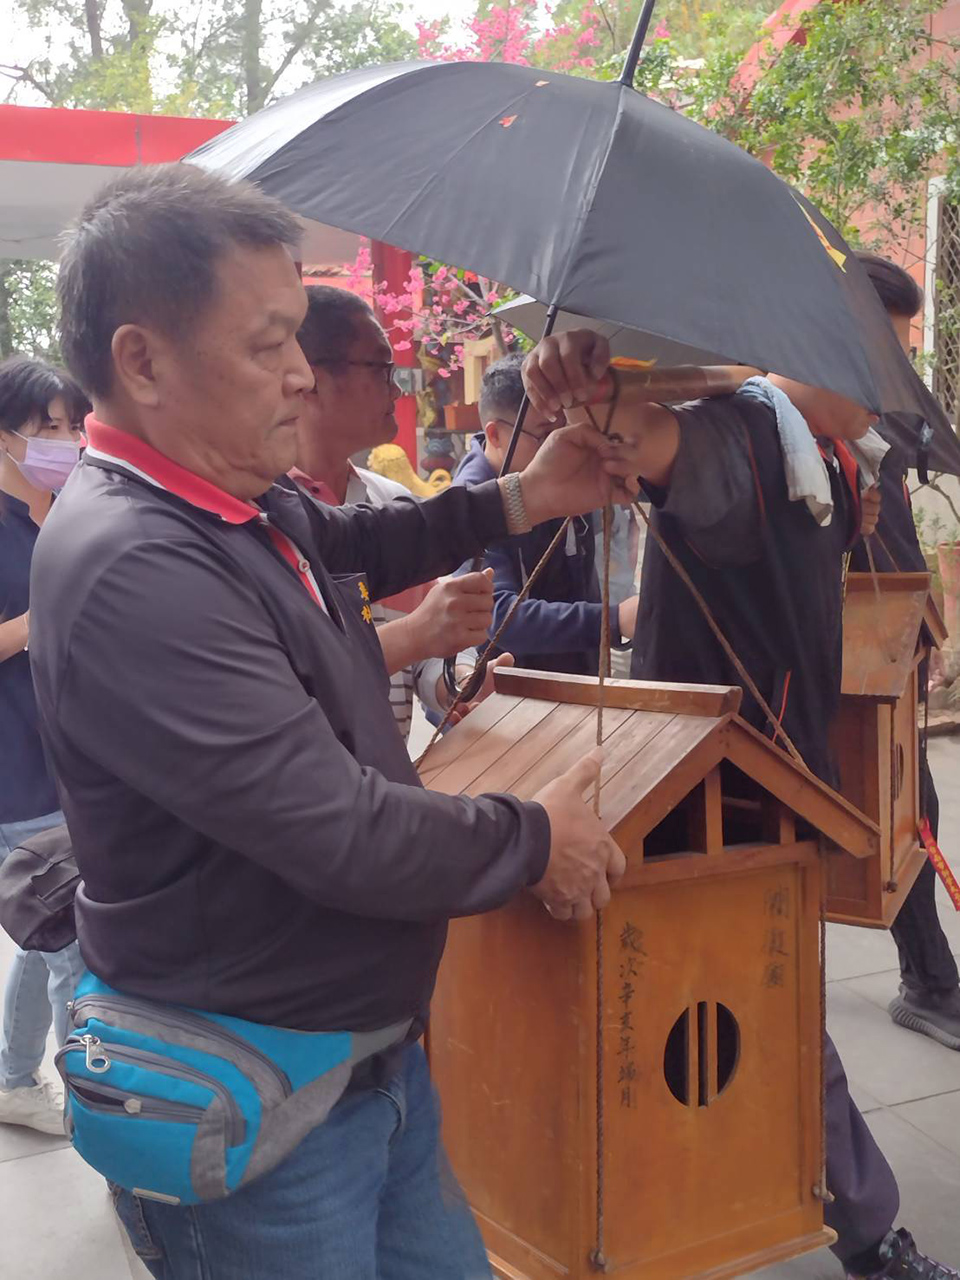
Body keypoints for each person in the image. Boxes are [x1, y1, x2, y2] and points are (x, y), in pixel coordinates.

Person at [29, 163, 636, 1280]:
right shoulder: (135, 564)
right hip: (256, 1097)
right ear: (143, 361)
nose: (302, 374)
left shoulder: (230, 501)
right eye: (269, 344)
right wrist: (536, 835)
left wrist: (527, 496)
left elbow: (355, 541)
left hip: (360, 1063)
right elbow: (341, 831)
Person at [522, 329, 958, 1280]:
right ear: (814, 352)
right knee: (764, 1015)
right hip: (713, 795)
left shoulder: (824, 457)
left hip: (762, 785)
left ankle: (756, 1204)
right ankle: (864, 1235)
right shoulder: (751, 432)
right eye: (871, 362)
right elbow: (662, 443)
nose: (883, 391)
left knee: (740, 1016)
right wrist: (599, 400)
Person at [293, 284, 498, 739]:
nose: (399, 390)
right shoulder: (262, 516)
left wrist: (460, 683)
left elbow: (426, 655)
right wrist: (416, 634)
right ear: (309, 378)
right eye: (382, 369)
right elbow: (293, 678)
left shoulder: (389, 500)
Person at [851, 251, 960, 1050]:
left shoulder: (874, 420)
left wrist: (927, 629)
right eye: (883, 342)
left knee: (909, 811)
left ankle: (927, 981)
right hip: (821, 663)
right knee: (895, 815)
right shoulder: (795, 419)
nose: (895, 362)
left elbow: (896, 543)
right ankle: (927, 982)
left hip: (883, 651)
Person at [0, 355, 87, 1136]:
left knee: (41, 922)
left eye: (71, 425)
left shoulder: (67, 512)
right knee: (71, 946)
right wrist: (40, 621)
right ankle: (99, 1119)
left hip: (76, 757)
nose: (65, 440)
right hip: (18, 766)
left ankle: (9, 1077)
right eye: (46, 427)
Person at [451, 354, 639, 675]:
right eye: (545, 436)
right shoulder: (470, 504)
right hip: (510, 687)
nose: (559, 447)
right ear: (495, 435)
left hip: (578, 677)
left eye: (563, 431)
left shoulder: (559, 474)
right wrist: (612, 620)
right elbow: (497, 616)